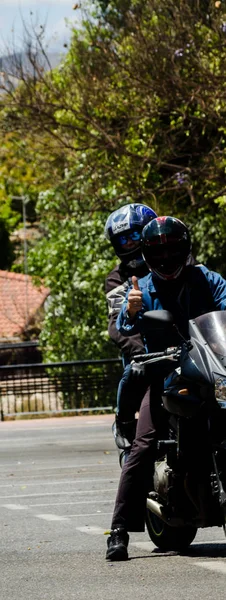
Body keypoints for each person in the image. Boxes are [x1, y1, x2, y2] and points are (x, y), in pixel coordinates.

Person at [106, 215, 226, 561]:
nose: (166, 257)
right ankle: (118, 531)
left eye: (173, 249)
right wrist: (131, 311)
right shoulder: (141, 287)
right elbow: (125, 324)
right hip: (164, 375)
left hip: (210, 369)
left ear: (185, 248)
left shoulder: (207, 278)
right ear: (146, 254)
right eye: (158, 251)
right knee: (143, 445)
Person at [104, 203, 157, 465]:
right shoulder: (117, 278)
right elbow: (116, 325)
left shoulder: (181, 261)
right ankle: (124, 422)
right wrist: (141, 353)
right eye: (122, 239)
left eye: (134, 236)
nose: (129, 244)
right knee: (135, 370)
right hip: (145, 353)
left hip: (186, 346)